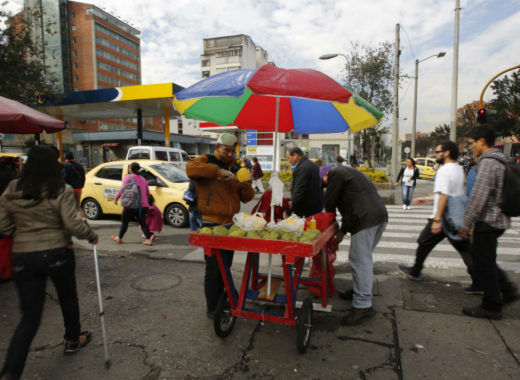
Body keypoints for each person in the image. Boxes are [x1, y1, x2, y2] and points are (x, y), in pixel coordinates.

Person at [0, 146, 98, 380]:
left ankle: (10, 371)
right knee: (67, 297)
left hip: (23, 256)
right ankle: (72, 339)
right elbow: (73, 224)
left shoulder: (13, 188)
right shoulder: (60, 189)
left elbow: (3, 226)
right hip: (57, 252)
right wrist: (90, 235)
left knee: (30, 317)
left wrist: (22, 231)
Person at [186, 133, 255, 318]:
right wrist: (218, 172)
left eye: (233, 150)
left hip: (230, 224)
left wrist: (245, 184)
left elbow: (247, 197)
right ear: (217, 147)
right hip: (211, 222)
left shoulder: (234, 167)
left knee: (226, 265)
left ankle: (222, 301)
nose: (230, 154)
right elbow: (191, 168)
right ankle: (212, 308)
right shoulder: (207, 160)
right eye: (227, 150)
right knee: (214, 268)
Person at [398, 142, 480, 293]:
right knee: (463, 248)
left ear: (446, 153)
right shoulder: (458, 168)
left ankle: (416, 271)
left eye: (437, 152)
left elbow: (444, 195)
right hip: (453, 216)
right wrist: (427, 198)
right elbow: (449, 193)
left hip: (443, 216)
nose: (435, 154)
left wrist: (437, 220)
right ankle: (478, 281)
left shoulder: (444, 171)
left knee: (424, 241)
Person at [459, 126, 519, 320]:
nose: (470, 148)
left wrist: (465, 224)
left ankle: (491, 305)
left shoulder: (488, 163)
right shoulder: (503, 159)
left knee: (483, 263)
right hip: (501, 218)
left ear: (482, 141)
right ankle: (508, 290)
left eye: (471, 144)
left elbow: (478, 197)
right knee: (486, 259)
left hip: (489, 219)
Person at [320, 165, 388, 325]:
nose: (326, 187)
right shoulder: (351, 174)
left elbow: (329, 203)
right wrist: (341, 232)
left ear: (326, 174)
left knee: (359, 260)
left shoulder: (335, 173)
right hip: (378, 215)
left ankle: (363, 305)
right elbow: (349, 212)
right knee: (363, 259)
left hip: (366, 218)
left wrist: (327, 226)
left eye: (324, 184)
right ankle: (360, 291)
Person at [111, 162, 153, 245]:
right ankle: (148, 239)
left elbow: (122, 190)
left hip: (131, 205)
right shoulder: (143, 179)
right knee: (143, 222)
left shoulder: (128, 177)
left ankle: (119, 238)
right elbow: (147, 193)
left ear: (130, 169)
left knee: (125, 222)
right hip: (142, 206)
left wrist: (116, 198)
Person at [285, 147, 323, 218]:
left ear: (295, 155)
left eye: (288, 158)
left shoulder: (302, 168)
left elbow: (299, 191)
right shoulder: (312, 164)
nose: (289, 161)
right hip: (316, 206)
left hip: (306, 209)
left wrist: (289, 211)